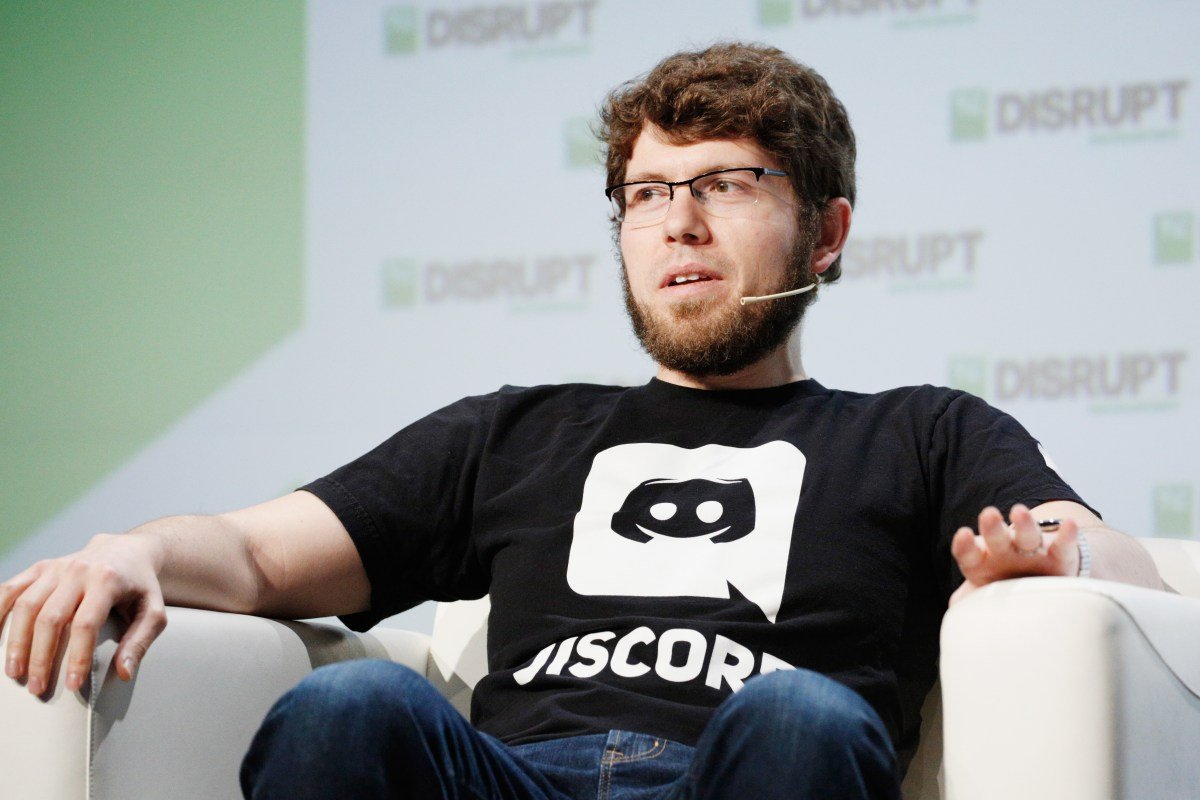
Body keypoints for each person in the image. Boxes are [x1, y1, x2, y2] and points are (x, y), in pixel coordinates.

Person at [1, 42, 1164, 800]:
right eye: (648, 194)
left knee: (801, 711)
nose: (679, 222)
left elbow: (1122, 562)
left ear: (826, 233)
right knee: (351, 704)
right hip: (515, 777)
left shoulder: (920, 430)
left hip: (751, 766)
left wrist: (1056, 557)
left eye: (727, 184)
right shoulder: (519, 431)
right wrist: (134, 549)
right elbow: (258, 552)